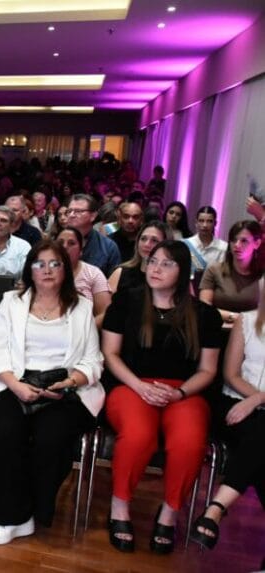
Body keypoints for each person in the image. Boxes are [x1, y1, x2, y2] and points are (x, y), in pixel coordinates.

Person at [102, 240, 222, 554]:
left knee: (189, 442)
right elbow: (110, 354)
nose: (156, 268)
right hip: (131, 384)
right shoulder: (127, 301)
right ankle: (119, 508)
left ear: (184, 271)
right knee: (138, 436)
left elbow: (208, 370)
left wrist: (179, 392)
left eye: (167, 263)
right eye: (153, 261)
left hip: (183, 391)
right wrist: (139, 386)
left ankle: (169, 513)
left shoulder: (204, 314)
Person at [0, 240, 104, 545]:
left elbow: (93, 360)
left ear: (66, 270)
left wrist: (70, 381)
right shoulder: (11, 302)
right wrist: (17, 386)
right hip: (13, 381)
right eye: (39, 264)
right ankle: (8, 516)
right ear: (30, 270)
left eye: (55, 264)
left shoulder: (82, 307)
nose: (47, 270)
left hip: (65, 388)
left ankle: (34, 511)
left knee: (51, 436)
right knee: (7, 429)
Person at [190, 281, 265, 550]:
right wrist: (252, 399)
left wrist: (260, 399)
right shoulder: (247, 321)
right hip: (235, 404)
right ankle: (215, 510)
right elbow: (231, 374)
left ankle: (215, 509)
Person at [199, 220, 262, 325]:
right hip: (218, 327)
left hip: (251, 329)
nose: (237, 245)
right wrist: (233, 317)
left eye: (244, 241)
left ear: (257, 243)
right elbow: (204, 306)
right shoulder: (214, 269)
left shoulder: (262, 275)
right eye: (233, 240)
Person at [57, 228, 111, 318]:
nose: (64, 246)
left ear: (81, 251)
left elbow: (104, 313)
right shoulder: (45, 272)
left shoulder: (93, 274)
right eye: (60, 243)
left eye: (71, 243)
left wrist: (86, 326)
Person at [107, 221, 171, 293]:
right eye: (143, 239)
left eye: (154, 240)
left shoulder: (171, 279)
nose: (146, 244)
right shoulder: (120, 273)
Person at [66, 194, 121, 276]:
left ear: (93, 216)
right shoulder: (57, 242)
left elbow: (113, 280)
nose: (71, 215)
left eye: (78, 211)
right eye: (69, 211)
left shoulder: (108, 247)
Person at [184, 206, 227, 273]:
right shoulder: (186, 244)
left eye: (209, 221)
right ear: (196, 223)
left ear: (215, 223)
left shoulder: (223, 247)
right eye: (201, 221)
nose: (205, 225)